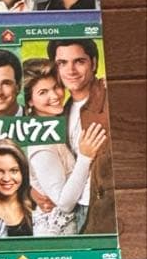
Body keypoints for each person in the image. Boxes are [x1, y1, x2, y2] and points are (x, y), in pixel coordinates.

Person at [21, 58, 106, 237]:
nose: (55, 96)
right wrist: (85, 157)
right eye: (43, 92)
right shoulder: (42, 143)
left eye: (56, 87)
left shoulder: (55, 124)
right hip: (57, 235)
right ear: (30, 101)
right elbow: (64, 203)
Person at [47, 37, 113, 235]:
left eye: (79, 61)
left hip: (103, 210)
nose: (71, 70)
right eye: (62, 63)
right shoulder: (60, 112)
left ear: (94, 63)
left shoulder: (109, 98)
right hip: (71, 209)